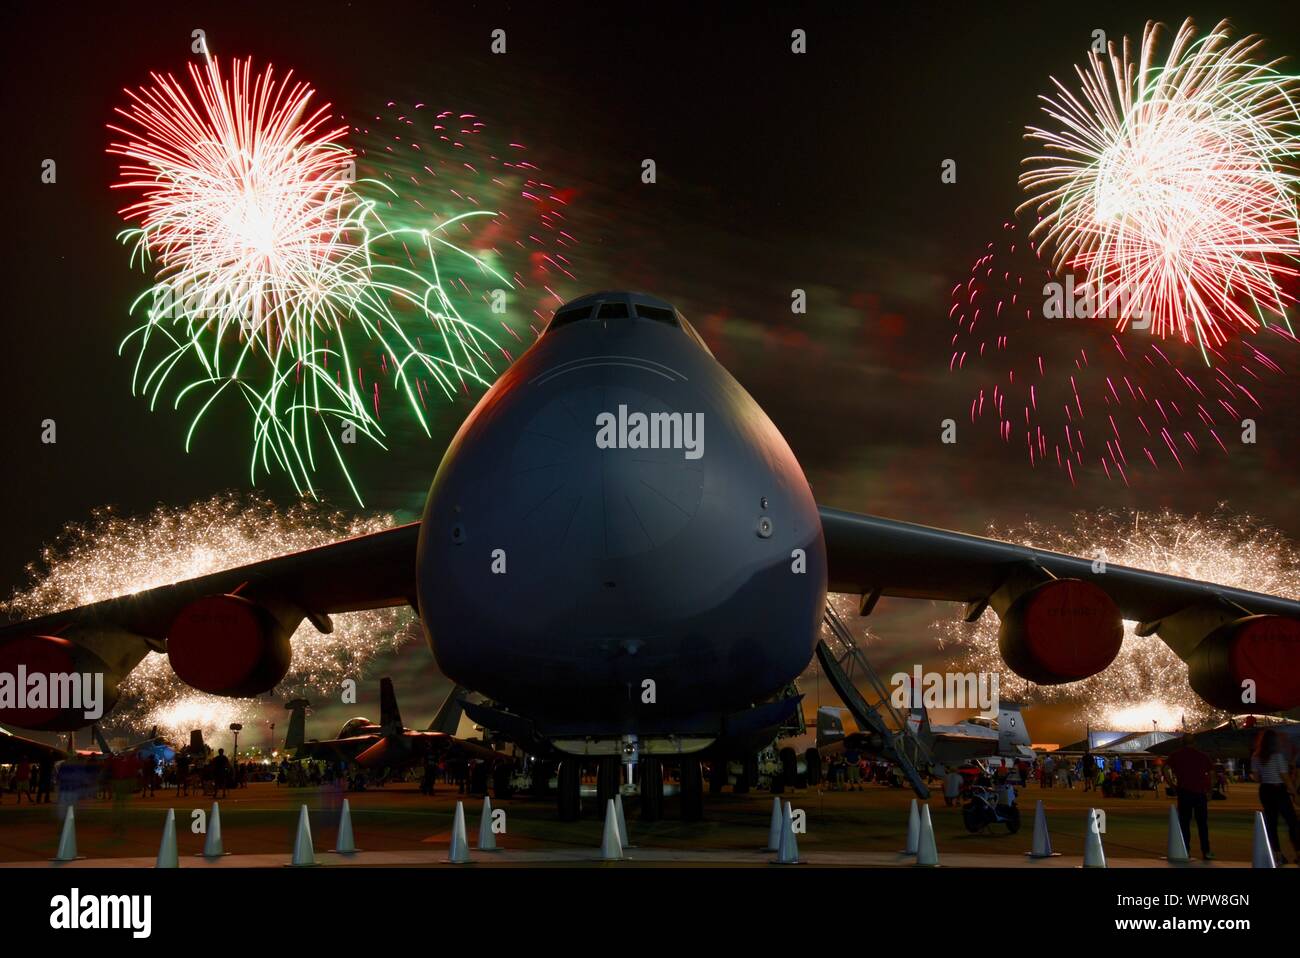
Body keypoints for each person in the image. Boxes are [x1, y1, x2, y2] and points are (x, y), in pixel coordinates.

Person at [1251, 728, 1299, 865]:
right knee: (1292, 822)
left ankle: (1277, 855)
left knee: (1272, 823)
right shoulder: (1278, 756)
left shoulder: (1256, 756)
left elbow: (1256, 777)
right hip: (1279, 790)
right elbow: (1285, 777)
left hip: (1265, 790)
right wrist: (1294, 793)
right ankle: (1298, 852)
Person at [1166, 733, 1214, 860]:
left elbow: (1164, 768)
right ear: (1194, 743)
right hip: (1200, 793)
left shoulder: (1175, 755)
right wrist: (1210, 790)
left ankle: (1185, 849)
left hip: (1184, 792)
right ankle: (1206, 851)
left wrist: (1171, 784)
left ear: (1181, 742)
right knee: (1202, 824)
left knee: (1184, 823)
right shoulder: (1202, 755)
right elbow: (1211, 772)